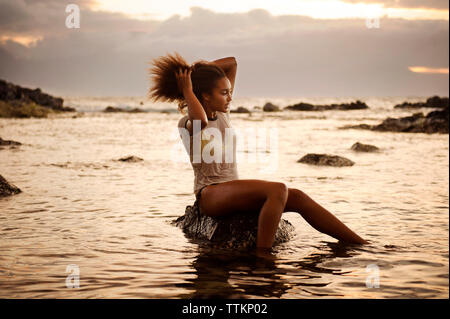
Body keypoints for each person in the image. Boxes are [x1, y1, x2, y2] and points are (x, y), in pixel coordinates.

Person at [148, 52, 368, 253]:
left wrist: (192, 74)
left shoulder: (223, 114)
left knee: (298, 196)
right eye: (224, 93)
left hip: (229, 190)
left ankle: (360, 244)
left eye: (230, 92)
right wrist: (187, 89)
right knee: (278, 190)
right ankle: (264, 257)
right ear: (205, 96)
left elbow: (231, 63)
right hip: (210, 194)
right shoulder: (188, 122)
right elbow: (201, 119)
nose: (230, 97)